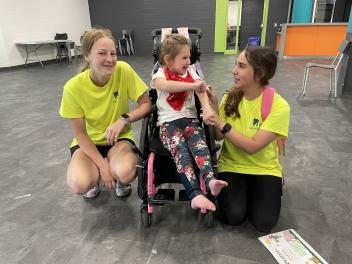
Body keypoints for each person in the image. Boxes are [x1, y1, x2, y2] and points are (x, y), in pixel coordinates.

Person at [59, 28, 151, 199]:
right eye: (102, 53)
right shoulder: (72, 88)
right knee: (79, 184)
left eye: (113, 53)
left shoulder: (123, 70)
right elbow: (80, 133)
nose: (110, 59)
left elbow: (146, 104)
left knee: (125, 173)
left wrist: (124, 119)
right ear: (87, 55)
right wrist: (102, 165)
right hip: (88, 142)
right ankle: (94, 176)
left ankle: (119, 179)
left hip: (119, 140)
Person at [206, 46, 290, 232]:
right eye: (236, 64)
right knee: (232, 216)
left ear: (259, 74)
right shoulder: (230, 97)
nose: (234, 70)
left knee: (264, 222)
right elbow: (219, 136)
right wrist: (213, 107)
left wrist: (222, 124)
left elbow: (253, 147)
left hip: (264, 168)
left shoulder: (279, 106)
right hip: (232, 165)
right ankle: (247, 194)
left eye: (241, 66)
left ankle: (259, 191)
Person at [150, 34, 228, 212]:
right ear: (168, 60)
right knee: (181, 150)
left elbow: (201, 90)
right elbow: (167, 86)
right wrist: (192, 85)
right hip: (167, 124)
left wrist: (207, 109)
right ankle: (195, 194)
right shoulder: (159, 74)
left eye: (189, 56)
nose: (188, 60)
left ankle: (211, 181)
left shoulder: (191, 72)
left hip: (191, 121)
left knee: (200, 147)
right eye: (184, 57)